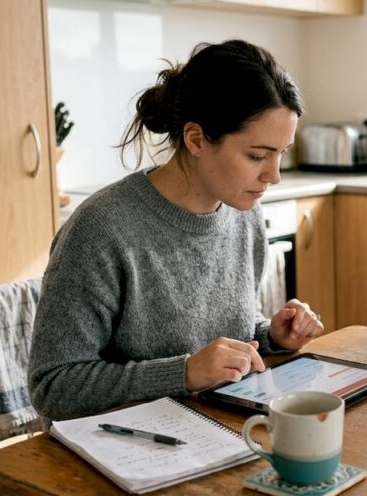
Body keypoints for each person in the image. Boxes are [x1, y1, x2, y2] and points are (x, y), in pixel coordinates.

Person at [29, 40, 323, 421]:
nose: (274, 175)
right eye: (257, 156)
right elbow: (53, 387)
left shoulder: (244, 215)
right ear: (196, 139)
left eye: (281, 153)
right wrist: (182, 374)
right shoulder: (100, 231)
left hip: (210, 430)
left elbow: (222, 330)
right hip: (119, 451)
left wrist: (270, 336)